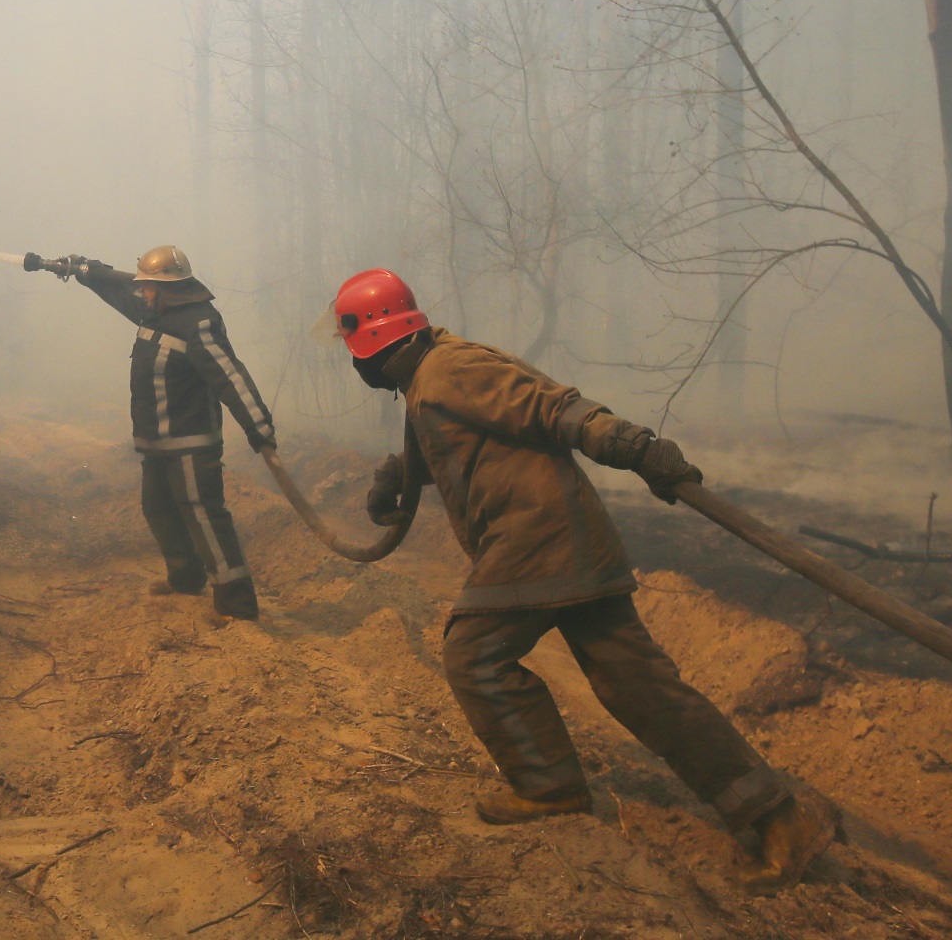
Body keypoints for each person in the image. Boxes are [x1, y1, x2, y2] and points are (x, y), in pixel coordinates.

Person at [332, 267, 834, 894]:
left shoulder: (449, 369)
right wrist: (399, 475)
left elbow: (551, 406)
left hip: (539, 540)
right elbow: (462, 443)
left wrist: (634, 446)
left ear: (366, 339)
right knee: (638, 685)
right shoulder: (429, 377)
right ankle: (776, 815)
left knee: (474, 654)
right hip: (565, 539)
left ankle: (549, 787)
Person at [27, 245, 275, 620]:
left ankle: (236, 604)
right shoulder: (153, 312)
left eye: (148, 287)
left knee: (204, 518)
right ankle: (185, 579)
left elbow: (231, 376)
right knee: (157, 509)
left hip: (190, 445)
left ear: (167, 287)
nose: (141, 292)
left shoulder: (199, 323)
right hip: (156, 443)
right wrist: (85, 271)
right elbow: (117, 290)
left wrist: (258, 427)